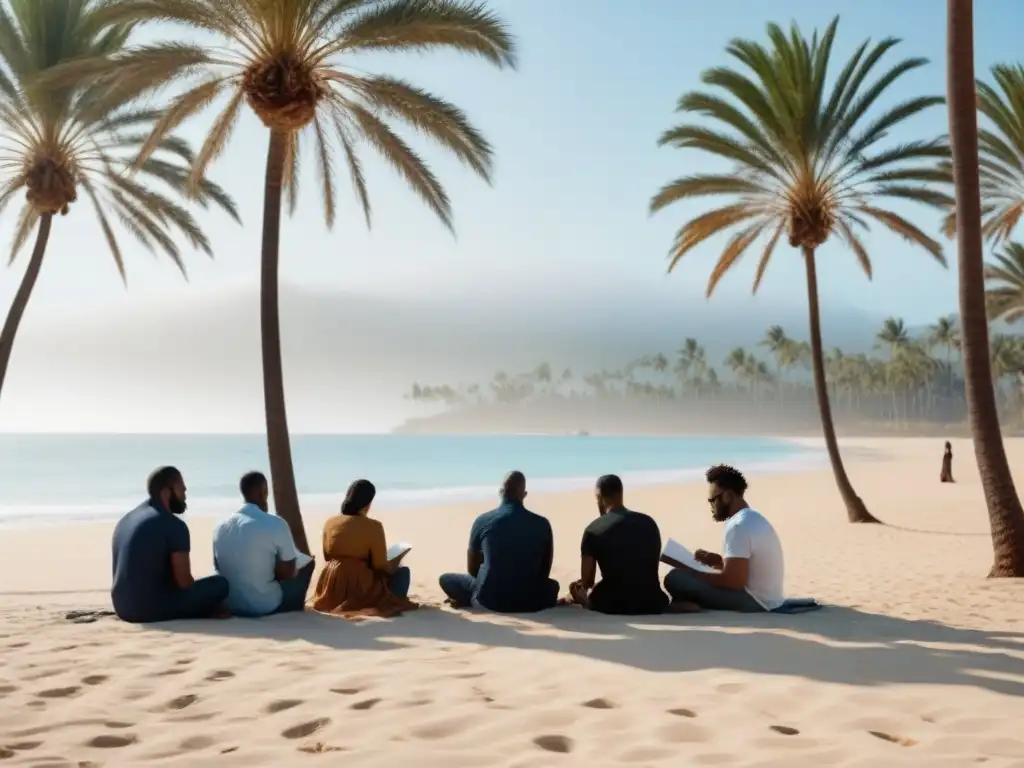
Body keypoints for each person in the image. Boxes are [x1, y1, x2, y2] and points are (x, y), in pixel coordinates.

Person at [111, 466, 229, 623]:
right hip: (149, 611)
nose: (185, 493)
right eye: (181, 488)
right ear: (167, 491)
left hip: (122, 607)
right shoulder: (173, 525)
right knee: (221, 584)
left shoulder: (126, 520)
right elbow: (184, 582)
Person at [662, 464, 785, 613]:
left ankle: (687, 602)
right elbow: (745, 572)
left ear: (728, 496)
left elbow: (734, 582)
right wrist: (718, 563)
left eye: (713, 499)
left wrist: (692, 571)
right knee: (685, 576)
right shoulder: (752, 518)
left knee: (675, 577)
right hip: (768, 599)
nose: (712, 505)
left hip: (754, 602)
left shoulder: (738, 526)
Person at [439, 471, 560, 612]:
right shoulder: (543, 524)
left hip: (491, 602)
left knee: (446, 579)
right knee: (553, 586)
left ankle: (473, 598)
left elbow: (472, 570)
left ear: (501, 492)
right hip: (531, 602)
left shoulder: (482, 521)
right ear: (524, 494)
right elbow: (544, 571)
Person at [307, 479, 417, 618]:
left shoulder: (330, 523)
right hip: (360, 588)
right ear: (368, 503)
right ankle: (367, 605)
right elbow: (379, 565)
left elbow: (328, 556)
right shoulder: (374, 526)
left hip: (331, 586)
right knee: (403, 572)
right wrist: (395, 561)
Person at [213, 471, 315, 617]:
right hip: (264, 606)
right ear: (264, 491)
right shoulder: (275, 523)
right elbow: (289, 573)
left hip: (231, 604)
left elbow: (217, 567)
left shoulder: (220, 525)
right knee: (308, 563)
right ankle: (294, 608)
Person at [568, 475, 670, 615]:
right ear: (621, 493)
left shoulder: (593, 530)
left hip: (613, 605)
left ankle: (587, 604)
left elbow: (587, 581)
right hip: (653, 602)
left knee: (591, 591)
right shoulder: (648, 522)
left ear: (598, 496)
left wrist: (577, 591)